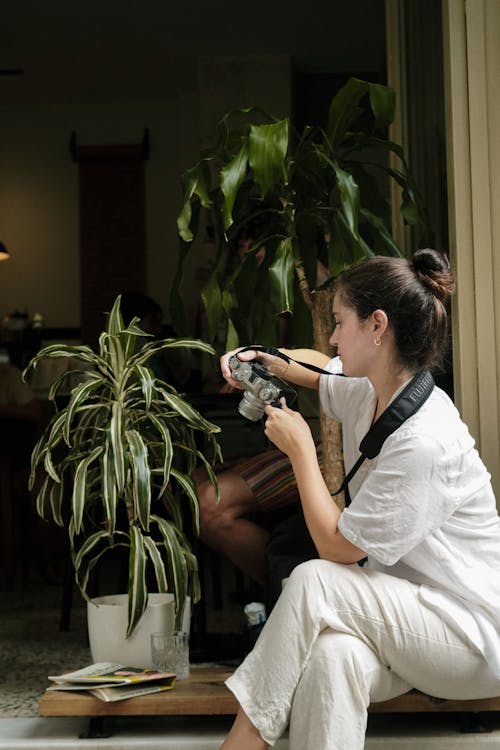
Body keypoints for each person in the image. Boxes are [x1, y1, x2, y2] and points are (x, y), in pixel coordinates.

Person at [216, 249, 500, 750]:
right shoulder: (375, 391)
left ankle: (242, 744)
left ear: (377, 326)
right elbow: (316, 370)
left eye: (339, 321)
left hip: (468, 638)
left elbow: (336, 550)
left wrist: (302, 448)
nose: (330, 336)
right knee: (332, 656)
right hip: (408, 618)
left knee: (313, 580)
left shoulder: (425, 438)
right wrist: (260, 359)